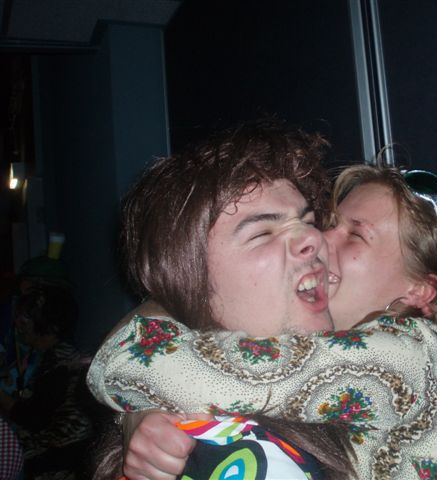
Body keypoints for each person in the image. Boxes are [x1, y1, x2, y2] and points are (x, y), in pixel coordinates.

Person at [89, 161, 437, 478]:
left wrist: (136, 404)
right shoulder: (427, 357)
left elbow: (171, 369)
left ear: (418, 292)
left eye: (355, 234)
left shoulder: (405, 356)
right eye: (330, 222)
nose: (320, 238)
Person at [89, 121, 356, 480]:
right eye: (263, 232)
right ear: (194, 284)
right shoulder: (254, 460)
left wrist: (137, 404)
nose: (315, 238)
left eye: (308, 222)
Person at [0, 285, 94, 479]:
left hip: (50, 463)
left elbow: (32, 420)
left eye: (26, 318)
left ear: (50, 327)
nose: (18, 323)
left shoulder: (61, 367)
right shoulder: (51, 355)